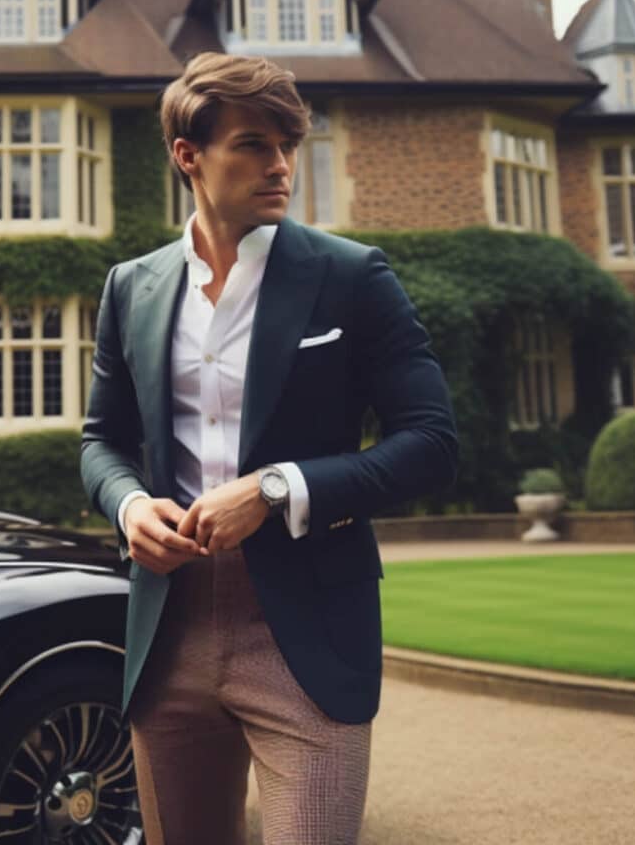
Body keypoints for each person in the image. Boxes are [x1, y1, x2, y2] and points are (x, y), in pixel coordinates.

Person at [81, 52, 458, 845]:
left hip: (309, 637)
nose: (280, 165)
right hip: (168, 634)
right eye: (253, 144)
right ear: (190, 155)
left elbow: (431, 442)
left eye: (288, 145)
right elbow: (101, 442)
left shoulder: (353, 277)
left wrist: (277, 489)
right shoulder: (132, 287)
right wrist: (128, 505)